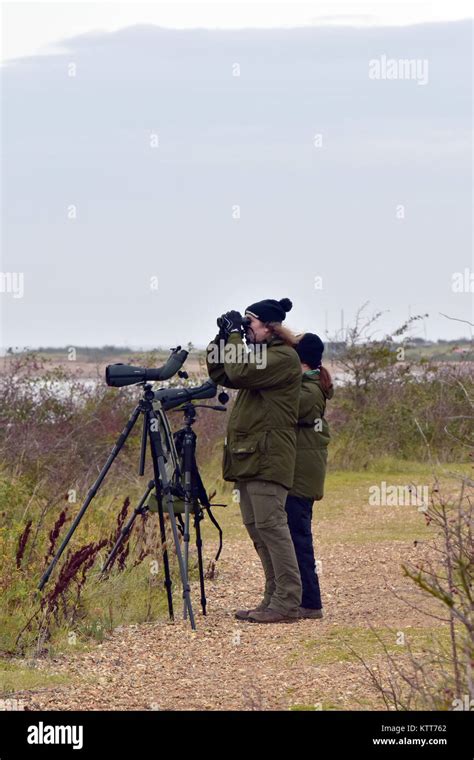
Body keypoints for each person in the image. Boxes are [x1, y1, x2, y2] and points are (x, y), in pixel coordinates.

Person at [206, 297, 303, 623]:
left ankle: (288, 600)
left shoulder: (282, 358)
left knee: (272, 528)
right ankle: (273, 598)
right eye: (244, 325)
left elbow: (240, 369)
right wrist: (222, 337)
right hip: (251, 456)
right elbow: (223, 371)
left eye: (250, 324)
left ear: (269, 326)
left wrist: (234, 337)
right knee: (258, 529)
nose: (246, 331)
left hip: (268, 455)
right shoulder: (263, 356)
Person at [285, 333, 333, 620]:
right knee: (295, 535)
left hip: (300, 476)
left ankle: (310, 602)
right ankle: (303, 598)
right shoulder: (312, 383)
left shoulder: (310, 390)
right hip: (301, 472)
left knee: (299, 537)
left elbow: (289, 409)